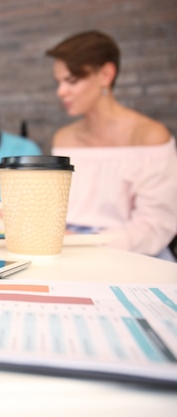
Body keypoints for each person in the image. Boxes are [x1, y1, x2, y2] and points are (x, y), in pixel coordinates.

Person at [46, 30, 177, 261]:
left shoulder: (149, 136)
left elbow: (157, 226)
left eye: (72, 81)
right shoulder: (63, 138)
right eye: (59, 82)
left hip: (134, 259)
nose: (61, 92)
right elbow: (56, 211)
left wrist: (83, 244)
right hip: (65, 254)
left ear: (106, 74)